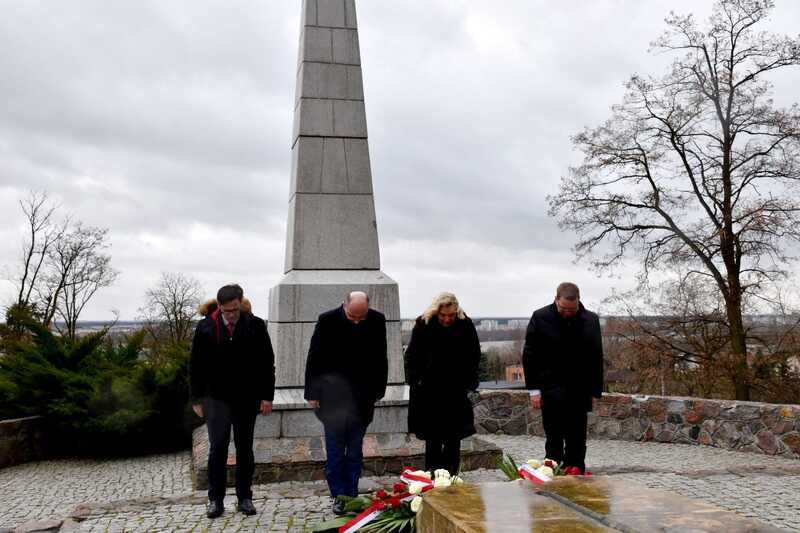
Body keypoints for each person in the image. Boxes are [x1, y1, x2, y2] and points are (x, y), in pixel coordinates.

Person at [189, 284, 276, 519]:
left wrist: (267, 396)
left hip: (246, 399)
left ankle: (244, 497)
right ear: (220, 307)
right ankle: (215, 500)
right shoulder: (205, 327)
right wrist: (196, 399)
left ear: (241, 303)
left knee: (244, 449)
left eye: (235, 309)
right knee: (217, 448)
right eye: (227, 311)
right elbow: (195, 365)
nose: (232, 315)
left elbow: (267, 363)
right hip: (215, 400)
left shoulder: (256, 325)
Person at [304, 291, 388, 515]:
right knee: (335, 451)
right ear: (344, 305)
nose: (358, 322)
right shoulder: (327, 320)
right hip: (332, 397)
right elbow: (315, 358)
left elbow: (381, 356)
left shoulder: (377, 320)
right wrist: (312, 393)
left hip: (362, 398)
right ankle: (339, 496)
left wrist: (379, 389)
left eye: (362, 317)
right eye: (353, 317)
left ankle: (351, 494)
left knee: (354, 451)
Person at [522, 282, 603, 474]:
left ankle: (577, 476)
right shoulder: (540, 317)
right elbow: (529, 355)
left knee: (577, 440)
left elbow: (596, 356)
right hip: (549, 389)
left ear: (578, 302)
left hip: (579, 390)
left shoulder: (590, 320)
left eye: (572, 309)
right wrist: (534, 390)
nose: (568, 313)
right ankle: (553, 479)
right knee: (554, 439)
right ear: (556, 299)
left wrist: (595, 390)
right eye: (563, 309)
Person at [405, 292, 480, 475]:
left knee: (454, 438)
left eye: (451, 315)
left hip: (455, 390)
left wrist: (468, 382)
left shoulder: (465, 325)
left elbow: (473, 355)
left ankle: (452, 477)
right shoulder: (424, 325)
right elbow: (412, 356)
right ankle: (433, 477)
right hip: (429, 391)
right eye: (443, 315)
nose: (447, 319)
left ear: (457, 312)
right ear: (436, 312)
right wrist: (417, 380)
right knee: (433, 439)